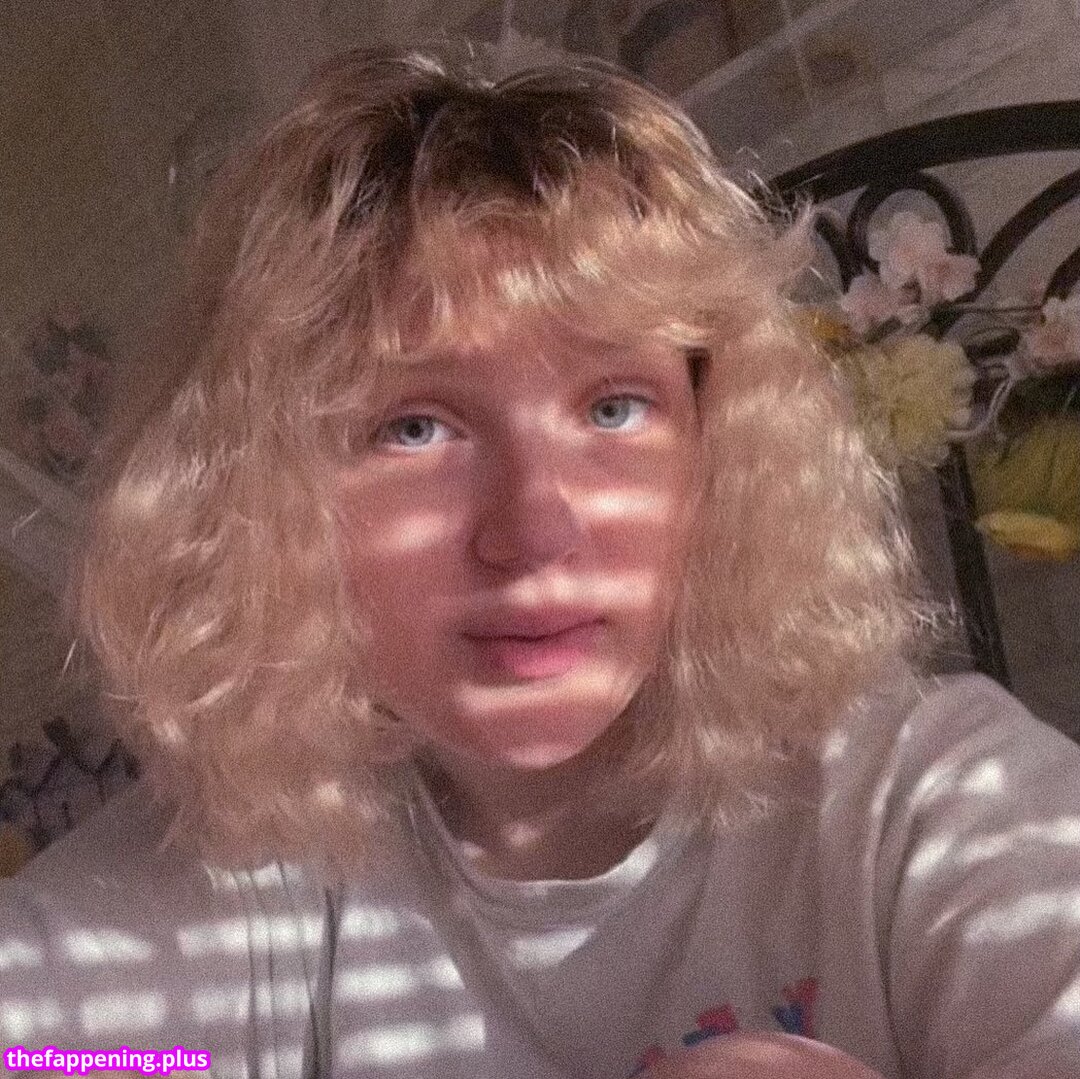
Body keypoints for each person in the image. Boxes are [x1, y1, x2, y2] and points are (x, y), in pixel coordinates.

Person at [1, 46, 1078, 1079]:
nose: (533, 529)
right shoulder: (240, 867)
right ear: (271, 486)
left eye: (614, 407)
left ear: (719, 448)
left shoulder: (928, 803)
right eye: (415, 426)